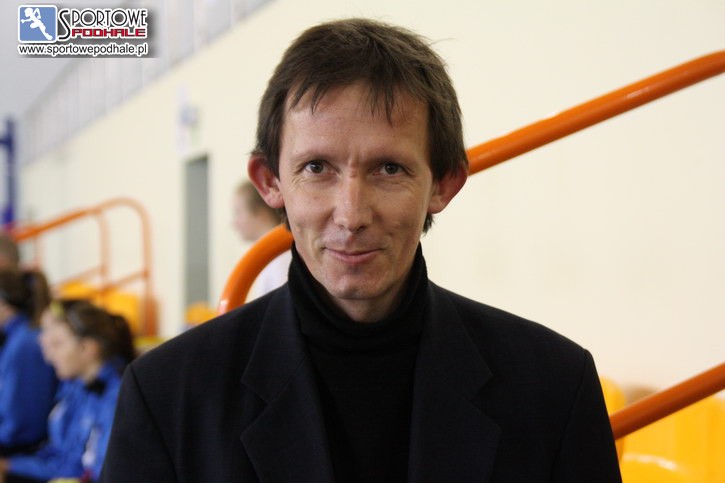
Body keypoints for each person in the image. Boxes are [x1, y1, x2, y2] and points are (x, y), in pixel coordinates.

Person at [102, 18, 621, 481]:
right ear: (270, 181)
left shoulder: (554, 386)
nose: (351, 215)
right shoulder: (168, 394)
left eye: (389, 169)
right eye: (316, 168)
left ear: (443, 184)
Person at [0, 300, 135, 482]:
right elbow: (59, 453)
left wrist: (11, 466)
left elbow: (84, 471)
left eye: (58, 344)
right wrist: (11, 465)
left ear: (87, 348)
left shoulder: (116, 397)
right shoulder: (77, 385)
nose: (48, 355)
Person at [0, 269, 57, 457]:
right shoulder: (17, 336)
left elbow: (22, 424)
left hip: (21, 447)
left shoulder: (24, 344)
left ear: (5, 305)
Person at [232, 180, 291, 297]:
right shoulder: (270, 258)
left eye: (238, 212)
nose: (234, 223)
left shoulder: (279, 260)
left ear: (261, 213)